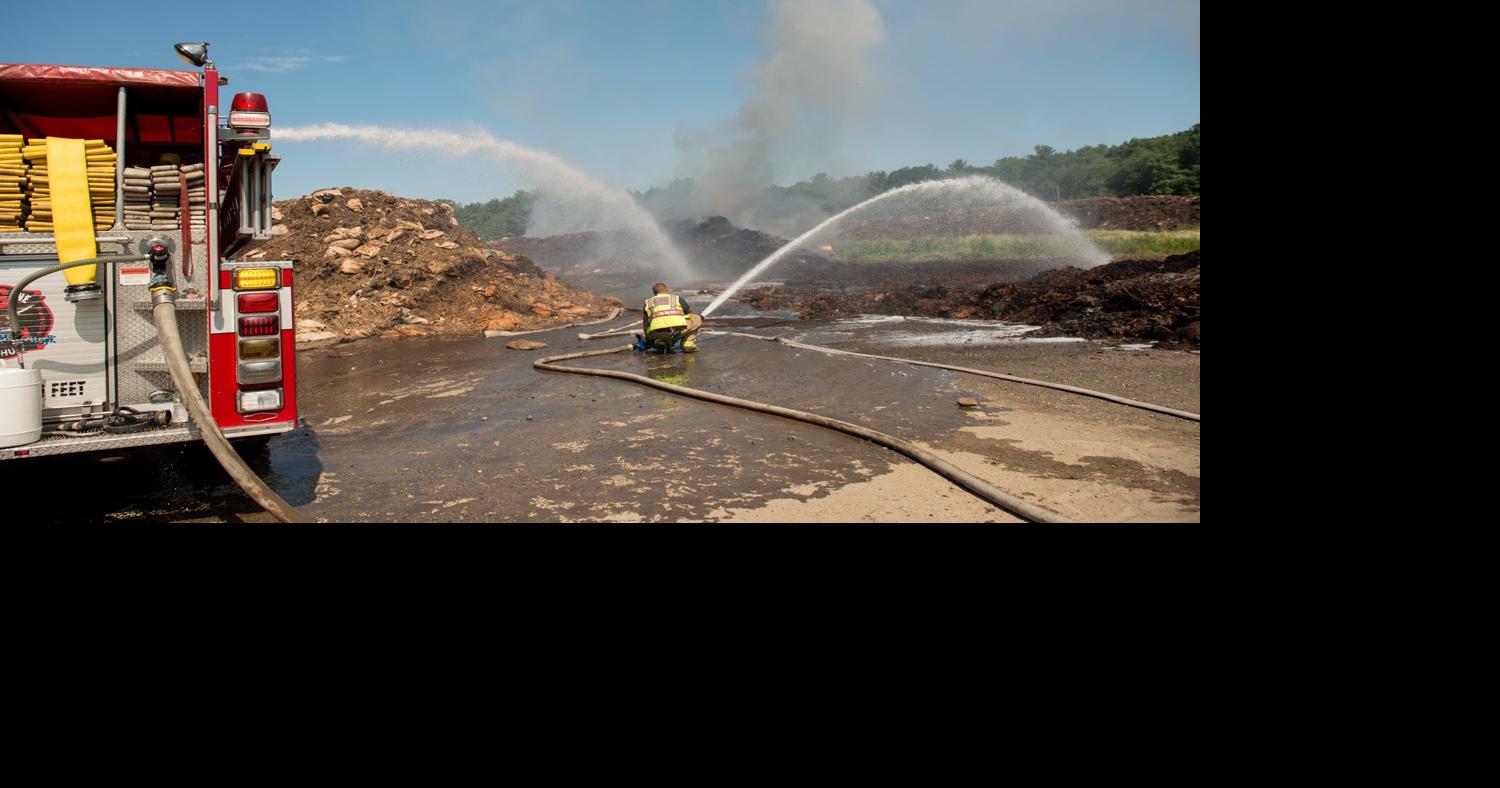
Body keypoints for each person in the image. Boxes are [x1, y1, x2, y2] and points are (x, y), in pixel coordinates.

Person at [642, 282, 701, 352]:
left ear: (654, 293)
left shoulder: (648, 302)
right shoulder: (676, 299)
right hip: (675, 332)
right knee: (696, 318)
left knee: (653, 325)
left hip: (657, 334)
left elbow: (645, 322)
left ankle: (660, 342)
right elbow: (689, 313)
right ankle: (687, 344)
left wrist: (648, 337)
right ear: (667, 290)